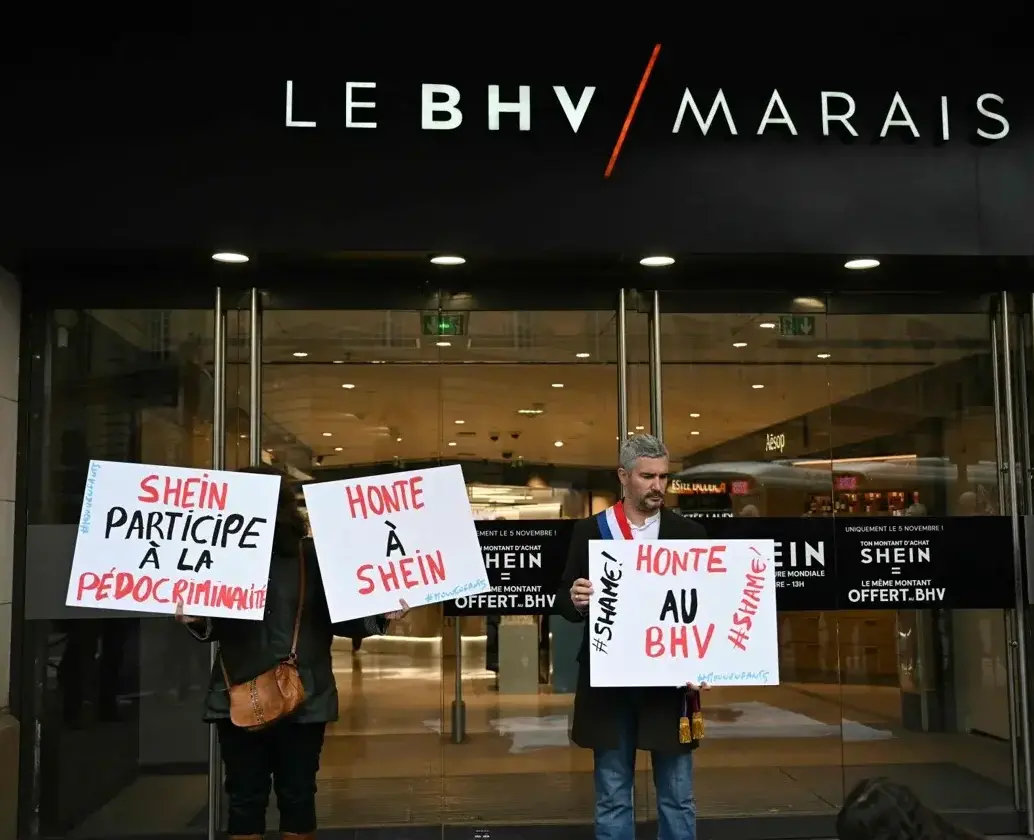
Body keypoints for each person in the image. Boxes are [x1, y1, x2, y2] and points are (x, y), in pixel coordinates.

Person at [176, 465, 406, 840]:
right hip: (238, 699)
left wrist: (380, 614)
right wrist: (196, 619)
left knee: (297, 796)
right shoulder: (217, 556)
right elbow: (213, 626)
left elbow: (343, 619)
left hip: (304, 698)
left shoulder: (312, 557)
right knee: (244, 797)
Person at [556, 434, 710, 840]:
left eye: (664, 477)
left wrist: (708, 660)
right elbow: (563, 600)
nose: (658, 486)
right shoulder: (591, 530)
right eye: (648, 476)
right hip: (609, 684)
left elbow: (707, 607)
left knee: (678, 798)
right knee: (612, 796)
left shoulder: (688, 533)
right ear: (624, 476)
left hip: (669, 683)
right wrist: (575, 598)